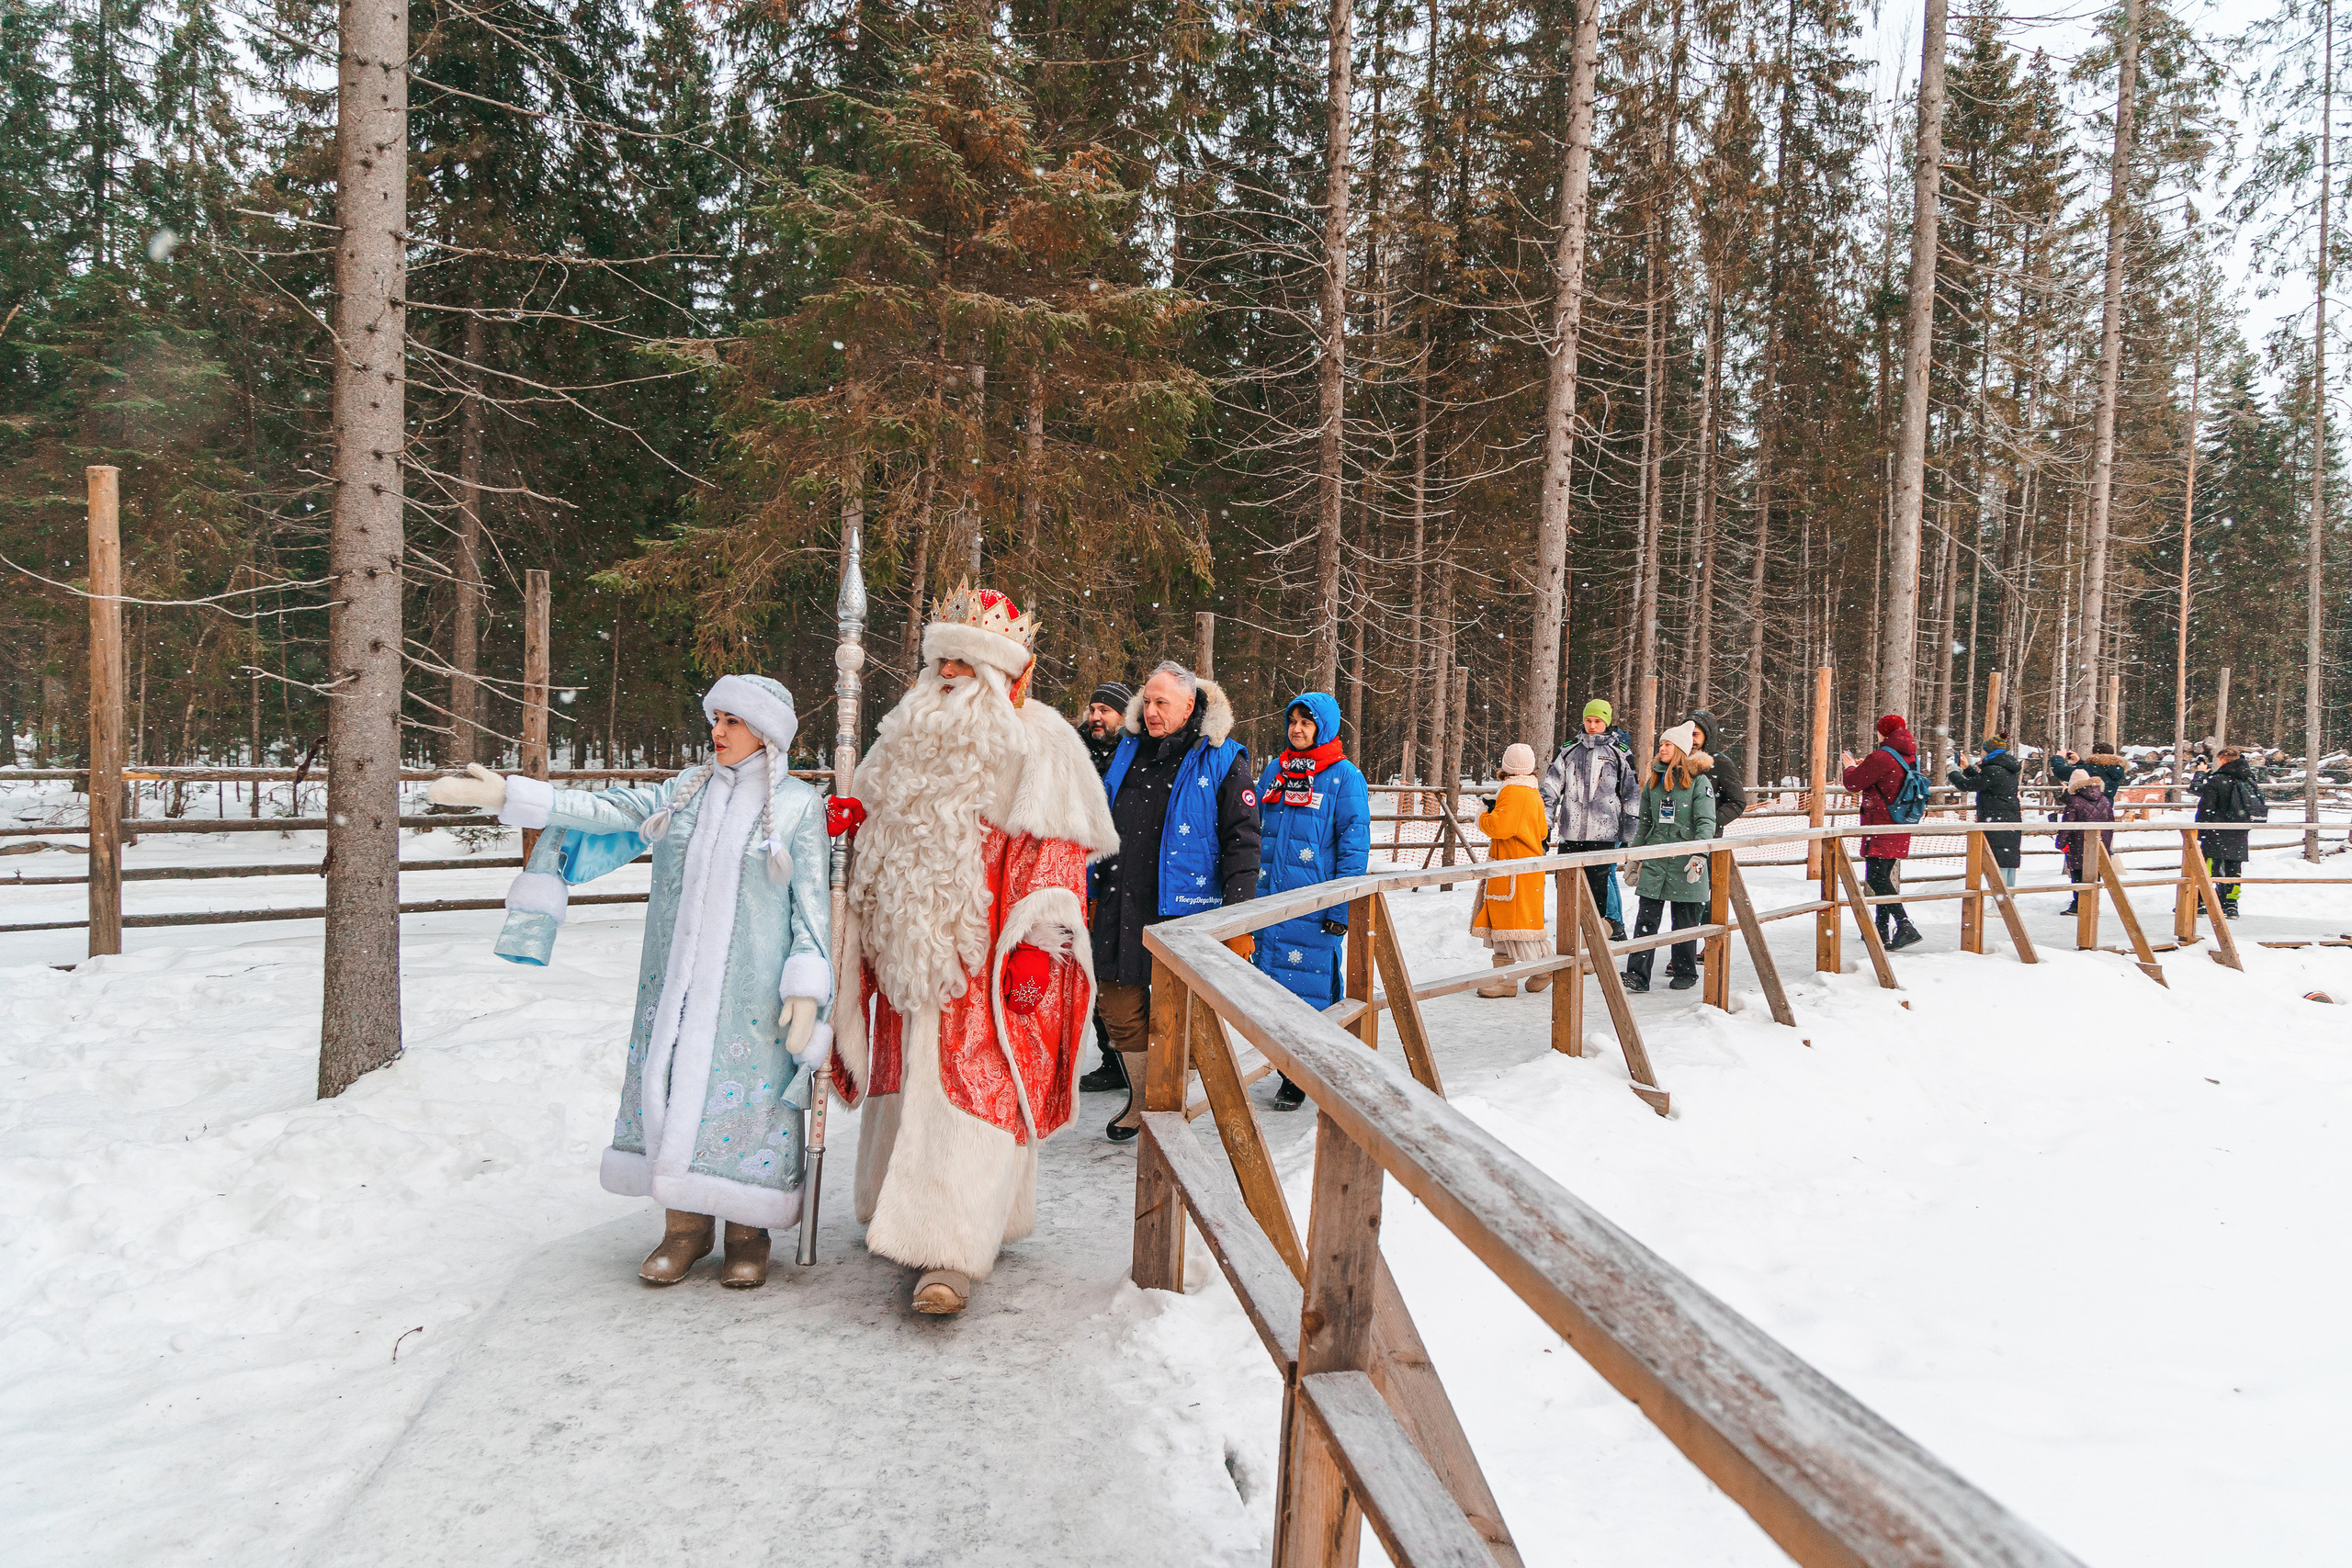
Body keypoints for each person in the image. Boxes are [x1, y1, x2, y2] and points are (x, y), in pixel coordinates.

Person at [427, 675, 831, 1290]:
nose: (716, 731)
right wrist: (513, 793)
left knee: (750, 1106)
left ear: (766, 731)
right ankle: (684, 1229)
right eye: (714, 719)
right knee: (668, 1089)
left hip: (752, 999)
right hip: (673, 987)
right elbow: (607, 808)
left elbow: (811, 909)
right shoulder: (685, 793)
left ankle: (749, 1234)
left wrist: (805, 987)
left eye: (731, 721)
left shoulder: (801, 807)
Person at [826, 582, 1119, 1315]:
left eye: (966, 660)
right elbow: (870, 821)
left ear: (1002, 672)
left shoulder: (1040, 741)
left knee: (968, 1088)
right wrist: (845, 826)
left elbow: (1055, 853)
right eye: (942, 658)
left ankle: (949, 1256)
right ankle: (907, 1217)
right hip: (904, 954)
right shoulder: (901, 739)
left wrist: (1038, 942)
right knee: (910, 1083)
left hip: (984, 957)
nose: (950, 672)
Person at [1093, 660, 1261, 1140]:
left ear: (1189, 706)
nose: (1150, 711)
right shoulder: (1125, 750)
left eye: (1161, 702)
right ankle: (1145, 1098)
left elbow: (1243, 842)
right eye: (1146, 701)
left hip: (1183, 908)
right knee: (1119, 1007)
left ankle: (1169, 1100)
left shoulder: (1222, 757)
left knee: (1179, 1013)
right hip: (1118, 899)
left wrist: (1238, 921)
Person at [1253, 691, 1370, 1107]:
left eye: (1307, 722)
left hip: (1313, 906)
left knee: (1309, 989)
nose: (1298, 730)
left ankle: (1302, 1073)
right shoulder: (1277, 771)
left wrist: (1340, 906)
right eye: (1293, 722)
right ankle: (1285, 1062)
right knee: (1269, 989)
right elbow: (1255, 832)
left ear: (1324, 727)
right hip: (1268, 900)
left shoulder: (1344, 777)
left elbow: (1353, 849)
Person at [1624, 722, 1715, 992]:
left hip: (1685, 861)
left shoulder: (1699, 782)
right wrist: (1635, 857)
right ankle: (1637, 975)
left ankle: (1685, 971)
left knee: (1684, 922)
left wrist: (1699, 856)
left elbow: (1706, 822)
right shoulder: (1653, 780)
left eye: (1668, 744)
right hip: (1655, 859)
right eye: (1661, 744)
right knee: (1646, 920)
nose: (1662, 748)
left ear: (1680, 750)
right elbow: (1644, 823)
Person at [1076, 681, 1135, 1094]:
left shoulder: (1133, 756)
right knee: (1089, 972)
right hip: (1075, 873)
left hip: (1120, 875)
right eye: (1093, 709)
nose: (1097, 717)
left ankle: (1127, 1058)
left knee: (1116, 973)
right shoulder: (1073, 754)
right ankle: (1109, 1058)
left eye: (1106, 711)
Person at [1541, 698, 1639, 941]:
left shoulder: (1621, 753)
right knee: (1566, 890)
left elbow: (1631, 796)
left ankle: (1593, 943)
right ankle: (1570, 941)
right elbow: (1550, 791)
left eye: (1597, 721)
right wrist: (1544, 826)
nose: (1592, 725)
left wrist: (1630, 835)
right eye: (1588, 720)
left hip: (1604, 834)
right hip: (1571, 833)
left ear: (1606, 722)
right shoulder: (1568, 750)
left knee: (1598, 893)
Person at [1839, 713, 1924, 951]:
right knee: (1882, 877)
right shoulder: (1908, 755)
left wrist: (1851, 767)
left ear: (1882, 732)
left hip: (1881, 824)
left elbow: (1854, 784)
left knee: (1876, 878)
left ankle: (1904, 925)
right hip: (1900, 821)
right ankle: (1881, 930)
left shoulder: (1883, 756)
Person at [1472, 743, 1551, 998]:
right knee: (1523, 924)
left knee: (1508, 926)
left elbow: (1501, 828)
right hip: (1526, 868)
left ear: (1505, 765)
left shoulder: (1513, 791)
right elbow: (1541, 831)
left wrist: (1484, 814)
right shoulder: (1532, 792)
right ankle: (1542, 968)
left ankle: (1513, 978)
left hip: (1511, 868)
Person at [2195, 745, 2266, 919]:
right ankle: (2231, 904)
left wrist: (2201, 829)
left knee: (2210, 866)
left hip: (2217, 828)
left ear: (2223, 760)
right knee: (2234, 867)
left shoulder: (2218, 779)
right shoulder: (2248, 778)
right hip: (2239, 829)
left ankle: (2203, 900)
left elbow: (2206, 805)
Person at [1947, 735, 2022, 886]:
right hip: (2007, 817)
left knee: (1997, 859)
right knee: (2007, 859)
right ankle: (2008, 896)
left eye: (1983, 750)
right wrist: (1967, 769)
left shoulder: (1993, 770)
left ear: (1988, 751)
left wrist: (1953, 773)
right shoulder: (2005, 768)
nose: (1981, 753)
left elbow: (1967, 785)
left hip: (1996, 819)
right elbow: (1984, 782)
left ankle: (2000, 902)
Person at [2059, 767, 2117, 914]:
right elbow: (2110, 823)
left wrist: (2061, 842)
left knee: (2078, 874)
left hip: (2079, 843)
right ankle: (2091, 903)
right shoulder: (2104, 799)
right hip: (2099, 842)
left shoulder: (2074, 800)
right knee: (2093, 874)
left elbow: (2068, 824)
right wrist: (2106, 842)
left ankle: (2079, 904)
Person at [1685, 709, 1747, 831]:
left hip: (1705, 838)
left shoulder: (1720, 763)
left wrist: (1710, 822)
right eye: (1687, 734)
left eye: (1695, 734)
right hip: (1673, 839)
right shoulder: (1676, 761)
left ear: (1707, 735)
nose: (1691, 739)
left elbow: (1737, 802)